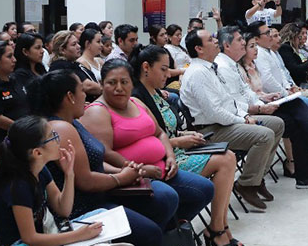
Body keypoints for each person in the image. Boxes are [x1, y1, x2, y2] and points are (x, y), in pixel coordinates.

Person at [28, 69, 174, 246]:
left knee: (162, 201)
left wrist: (124, 170)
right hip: (79, 210)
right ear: (69, 97)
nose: (85, 95)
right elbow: (85, 180)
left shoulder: (72, 122)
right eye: (81, 90)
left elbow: (91, 163)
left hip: (99, 196)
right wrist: (120, 178)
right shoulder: (61, 128)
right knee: (150, 235)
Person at [131, 46, 243, 246]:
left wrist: (184, 133)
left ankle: (220, 226)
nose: (168, 75)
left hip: (177, 151)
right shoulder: (137, 98)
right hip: (165, 159)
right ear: (146, 67)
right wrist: (179, 141)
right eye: (163, 69)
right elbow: (148, 142)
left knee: (228, 156)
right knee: (226, 161)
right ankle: (218, 229)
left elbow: (165, 129)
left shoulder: (154, 92)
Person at [0, 115, 136, 246]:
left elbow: (63, 209)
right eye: (53, 137)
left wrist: (69, 174)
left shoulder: (40, 170)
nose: (58, 140)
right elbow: (30, 239)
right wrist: (78, 236)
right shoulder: (19, 186)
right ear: (37, 152)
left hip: (45, 236)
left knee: (102, 214)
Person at [81, 59, 214, 223]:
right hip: (133, 179)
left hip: (163, 169)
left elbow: (160, 133)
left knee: (205, 189)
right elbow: (105, 153)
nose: (119, 88)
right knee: (167, 198)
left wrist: (170, 156)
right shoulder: (97, 112)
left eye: (124, 82)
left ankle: (172, 228)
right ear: (102, 84)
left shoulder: (136, 102)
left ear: (132, 83)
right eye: (112, 83)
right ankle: (167, 230)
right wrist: (141, 169)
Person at [222, 28, 308, 187]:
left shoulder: (237, 64)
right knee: (297, 116)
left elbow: (251, 91)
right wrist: (260, 107)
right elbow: (233, 102)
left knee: (298, 110)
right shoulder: (225, 67)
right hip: (247, 114)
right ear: (226, 46)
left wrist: (266, 97)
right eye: (241, 41)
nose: (244, 44)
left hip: (258, 105)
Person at [179, 28, 283, 210]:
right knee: (264, 135)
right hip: (211, 129)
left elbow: (230, 102)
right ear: (199, 49)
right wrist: (243, 121)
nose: (215, 41)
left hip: (225, 122)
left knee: (277, 124)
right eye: (210, 40)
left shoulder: (212, 68)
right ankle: (246, 184)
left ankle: (257, 178)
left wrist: (245, 115)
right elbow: (215, 113)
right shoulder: (198, 73)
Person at [250, 22, 308, 122]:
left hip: (287, 89)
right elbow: (267, 79)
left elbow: (283, 72)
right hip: (275, 95)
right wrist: (285, 92)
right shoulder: (264, 52)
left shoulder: (272, 52)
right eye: (267, 33)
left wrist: (290, 86)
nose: (302, 38)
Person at [49, 31, 101, 101]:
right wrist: (106, 90)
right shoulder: (60, 66)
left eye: (78, 43)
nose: (79, 46)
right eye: (74, 44)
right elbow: (87, 86)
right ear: (62, 50)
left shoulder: (73, 63)